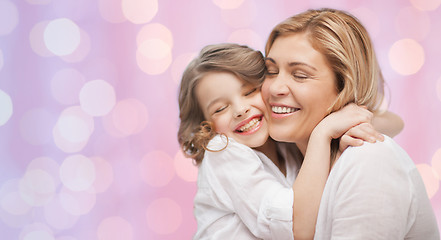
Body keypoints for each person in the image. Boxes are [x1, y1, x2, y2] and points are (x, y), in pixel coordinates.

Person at [178, 43, 401, 239]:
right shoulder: (222, 150)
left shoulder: (283, 140)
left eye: (250, 91)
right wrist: (323, 132)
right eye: (220, 108)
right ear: (205, 127)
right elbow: (296, 230)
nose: (240, 110)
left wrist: (342, 118)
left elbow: (393, 123)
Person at [262, 8, 440, 239]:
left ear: (344, 85)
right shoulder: (282, 159)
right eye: (270, 71)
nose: (275, 88)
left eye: (300, 75)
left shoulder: (368, 161)